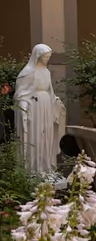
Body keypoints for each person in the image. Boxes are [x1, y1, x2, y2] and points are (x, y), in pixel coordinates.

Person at [14, 44, 66, 174]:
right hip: (34, 107)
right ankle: (34, 169)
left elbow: (50, 92)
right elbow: (21, 93)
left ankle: (46, 166)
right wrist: (24, 106)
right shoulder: (28, 72)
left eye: (48, 56)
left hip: (46, 106)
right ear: (38, 56)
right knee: (36, 136)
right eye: (45, 57)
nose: (47, 59)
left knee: (46, 136)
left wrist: (56, 103)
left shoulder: (46, 72)